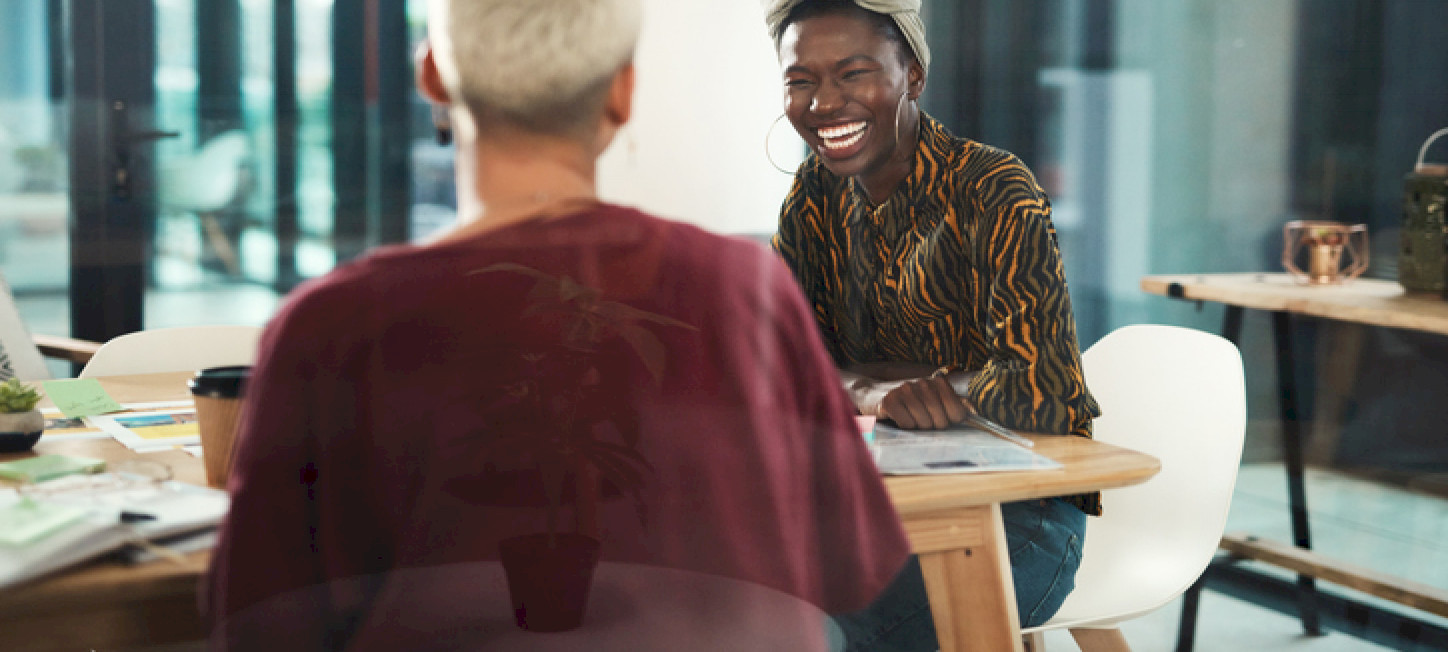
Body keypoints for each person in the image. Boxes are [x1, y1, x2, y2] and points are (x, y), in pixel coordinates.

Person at [204, 0, 911, 648]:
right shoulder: (750, 290)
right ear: (622, 93)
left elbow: (257, 627)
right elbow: (850, 571)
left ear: (431, 76)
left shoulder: (327, 329)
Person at [763, 0, 1102, 649]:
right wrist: (871, 390)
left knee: (823, 630)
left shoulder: (993, 188)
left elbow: (1047, 390)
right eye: (800, 81)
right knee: (733, 587)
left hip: (1022, 518)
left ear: (912, 75)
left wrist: (928, 389)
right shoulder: (815, 192)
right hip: (879, 508)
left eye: (853, 73)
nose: (824, 103)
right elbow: (777, 361)